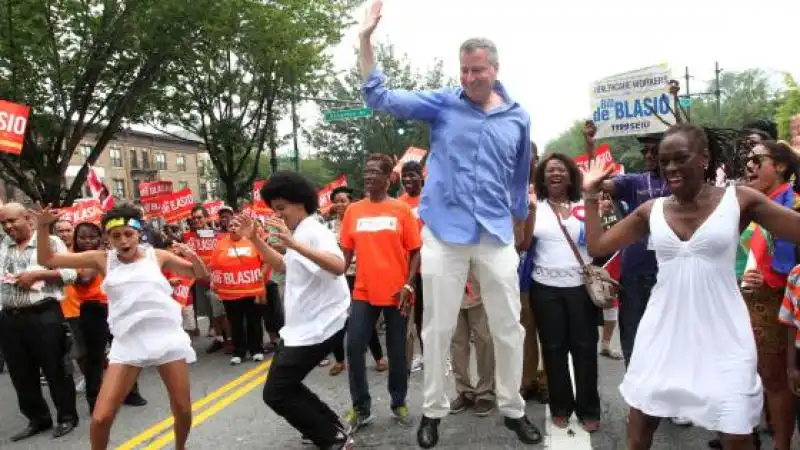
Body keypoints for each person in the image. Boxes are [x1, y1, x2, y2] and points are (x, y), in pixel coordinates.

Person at [358, 2, 539, 447]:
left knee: (508, 326)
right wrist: (365, 40)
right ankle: (433, 411)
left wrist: (519, 224)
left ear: (495, 68)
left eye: (478, 70)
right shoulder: (443, 104)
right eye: (464, 71)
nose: (471, 78)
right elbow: (380, 97)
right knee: (437, 327)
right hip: (444, 232)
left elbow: (518, 180)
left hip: (494, 233)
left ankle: (513, 409)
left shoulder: (518, 116)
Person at [581, 122, 800, 449]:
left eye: (679, 158)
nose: (670, 167)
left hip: (723, 332)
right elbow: (598, 247)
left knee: (736, 429)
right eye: (664, 160)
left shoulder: (739, 201)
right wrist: (589, 194)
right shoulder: (650, 211)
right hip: (663, 330)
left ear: (703, 158)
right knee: (640, 428)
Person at [32, 203, 207, 450]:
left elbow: (199, 274)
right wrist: (41, 226)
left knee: (183, 410)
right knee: (101, 417)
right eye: (116, 236)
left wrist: (194, 257)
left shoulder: (158, 255)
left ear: (139, 234)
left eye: (129, 234)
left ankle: (180, 447)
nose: (123, 241)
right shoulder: (102, 259)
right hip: (127, 344)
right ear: (107, 238)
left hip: (166, 338)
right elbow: (46, 258)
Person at [241, 171, 353, 450]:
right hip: (301, 326)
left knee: (276, 392)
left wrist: (294, 243)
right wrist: (255, 239)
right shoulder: (300, 231)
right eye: (274, 209)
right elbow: (282, 266)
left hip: (322, 324)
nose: (278, 215)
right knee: (285, 385)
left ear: (301, 202)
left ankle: (332, 436)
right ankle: (328, 426)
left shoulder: (312, 231)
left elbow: (338, 266)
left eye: (282, 208)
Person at [518, 153, 601, 432]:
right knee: (553, 350)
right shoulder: (536, 207)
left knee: (585, 349)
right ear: (542, 178)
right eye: (549, 170)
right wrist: (528, 213)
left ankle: (589, 409)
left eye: (560, 170)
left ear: (570, 176)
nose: (555, 174)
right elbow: (524, 244)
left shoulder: (585, 204)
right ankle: (561, 407)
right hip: (545, 290)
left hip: (581, 289)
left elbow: (601, 242)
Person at [339, 153, 421, 432]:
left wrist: (409, 284)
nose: (368, 176)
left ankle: (398, 401)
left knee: (397, 352)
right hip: (363, 291)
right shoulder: (353, 211)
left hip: (397, 292)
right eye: (366, 171)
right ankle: (361, 407)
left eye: (375, 172)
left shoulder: (401, 210)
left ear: (389, 178)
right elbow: (344, 255)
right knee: (354, 346)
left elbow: (415, 250)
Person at [0, 203, 79, 441]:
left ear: (28, 218)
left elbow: (71, 274)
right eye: (3, 223)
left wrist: (39, 274)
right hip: (10, 319)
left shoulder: (51, 242)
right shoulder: (3, 246)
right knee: (21, 374)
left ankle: (67, 417)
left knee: (55, 369)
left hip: (44, 315)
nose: (8, 227)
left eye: (12, 221)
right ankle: (38, 419)